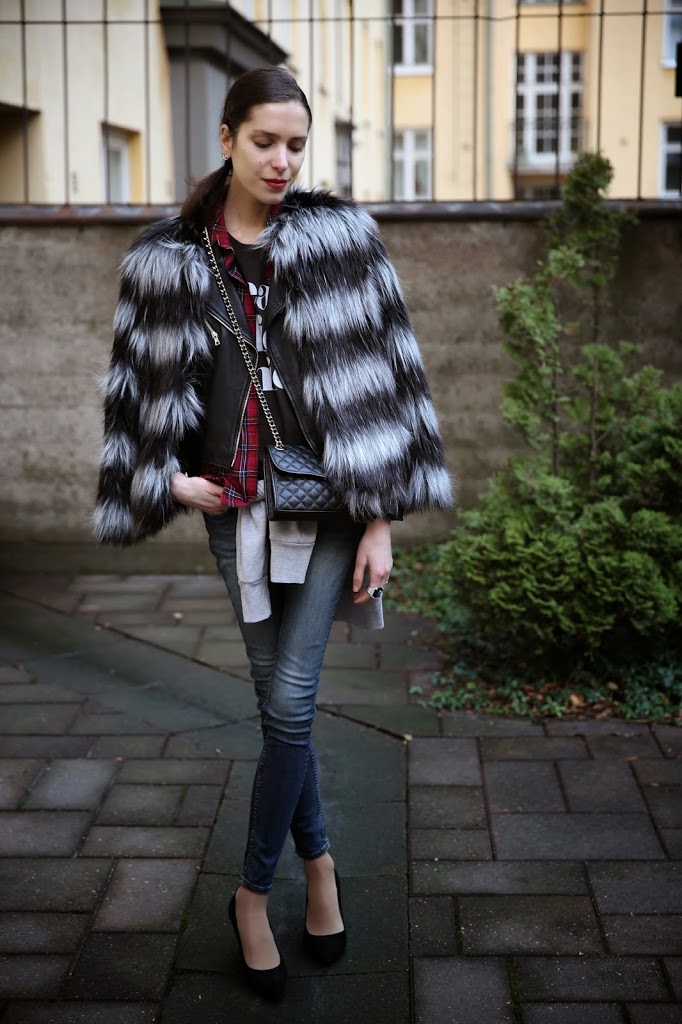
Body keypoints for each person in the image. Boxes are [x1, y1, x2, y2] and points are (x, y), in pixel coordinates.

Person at [94, 65, 452, 1002]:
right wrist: (167, 478)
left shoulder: (342, 242)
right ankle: (321, 867)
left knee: (290, 705)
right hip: (238, 512)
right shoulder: (166, 260)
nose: (283, 160)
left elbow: (395, 380)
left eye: (296, 144)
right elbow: (136, 395)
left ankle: (252, 895)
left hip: (332, 506)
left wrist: (381, 521)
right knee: (278, 711)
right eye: (264, 141)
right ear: (226, 138)